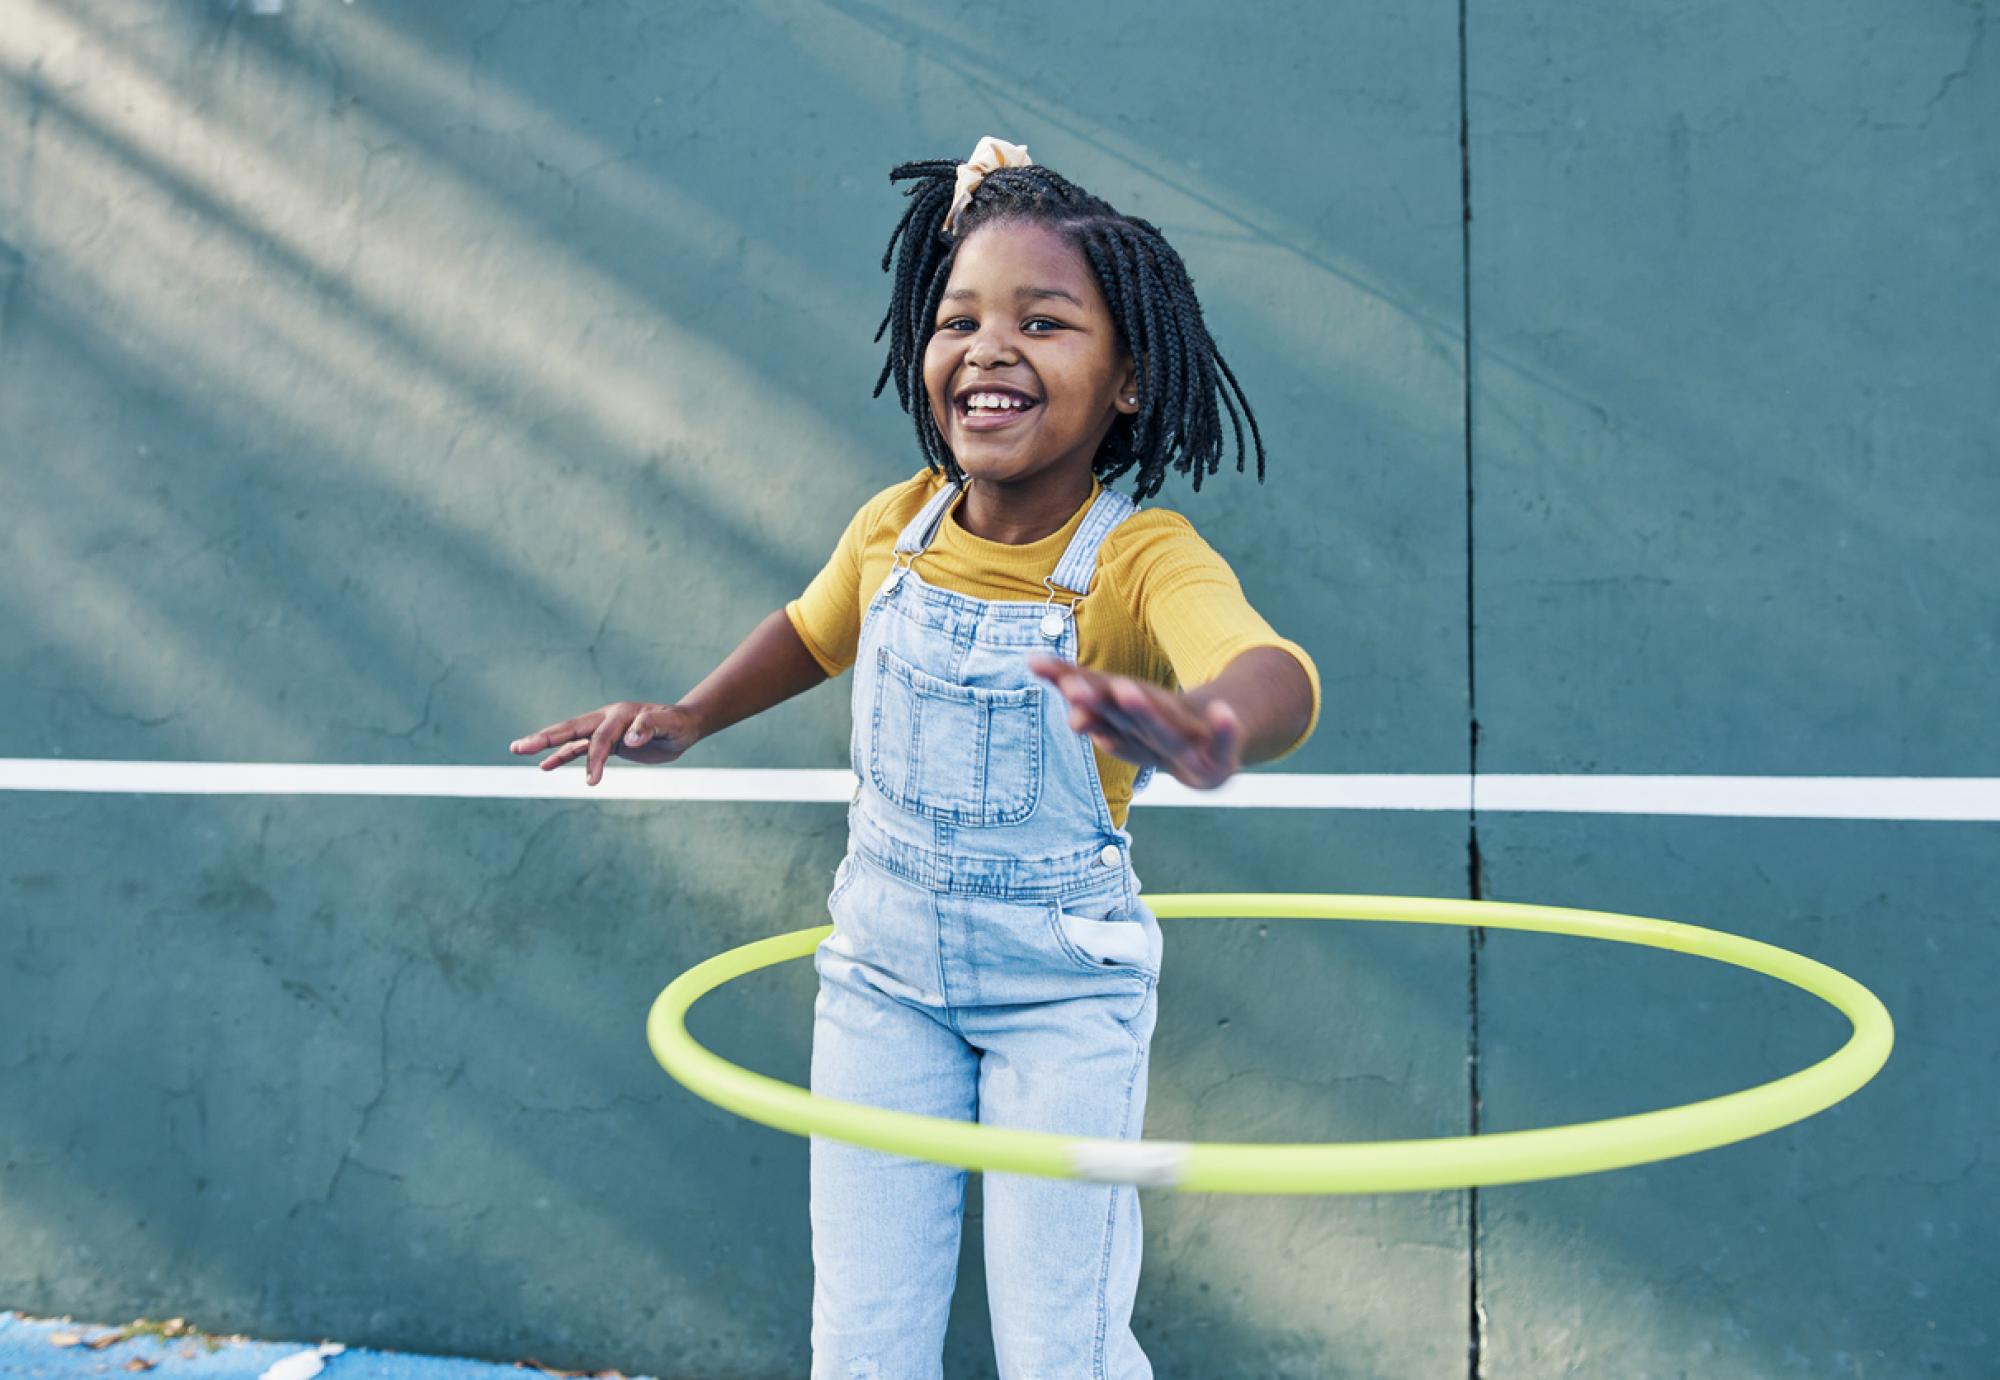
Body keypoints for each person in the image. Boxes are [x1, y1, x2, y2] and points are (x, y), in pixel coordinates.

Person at [509, 136, 1320, 1380]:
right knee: (865, 1341)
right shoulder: (894, 524)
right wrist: (687, 715)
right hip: (879, 979)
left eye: (1043, 323)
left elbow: (1270, 670)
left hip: (1061, 994)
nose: (988, 348)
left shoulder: (1140, 557)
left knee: (1065, 1350)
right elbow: (811, 630)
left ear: (1128, 384)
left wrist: (1215, 729)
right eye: (958, 318)